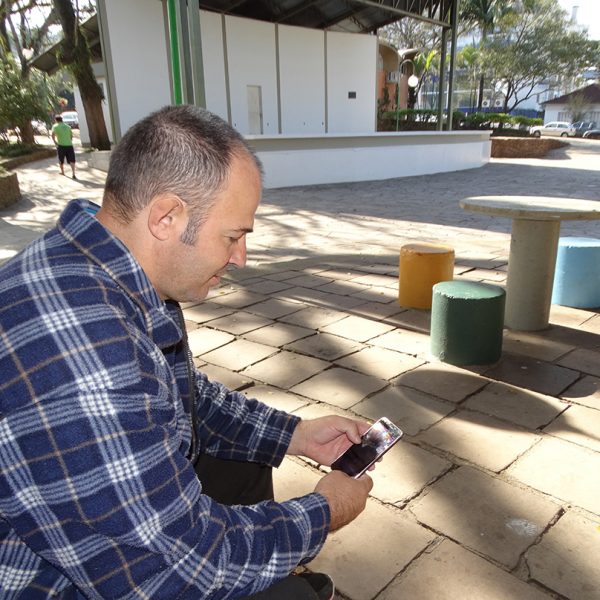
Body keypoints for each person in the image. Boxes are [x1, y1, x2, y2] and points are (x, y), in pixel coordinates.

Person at [0, 105, 374, 599]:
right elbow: (179, 569)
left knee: (245, 464)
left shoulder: (102, 265)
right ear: (166, 217)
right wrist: (322, 513)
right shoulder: (86, 352)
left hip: (103, 525)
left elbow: (179, 396)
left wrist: (295, 435)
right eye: (233, 235)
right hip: (50, 582)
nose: (240, 257)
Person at [51, 114, 77, 179]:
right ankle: (73, 173)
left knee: (61, 159)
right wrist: (69, 141)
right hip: (69, 145)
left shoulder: (55, 126)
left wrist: (55, 142)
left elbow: (53, 135)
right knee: (72, 160)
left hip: (61, 145)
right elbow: (71, 136)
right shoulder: (68, 126)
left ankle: (62, 172)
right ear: (62, 119)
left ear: (56, 120)